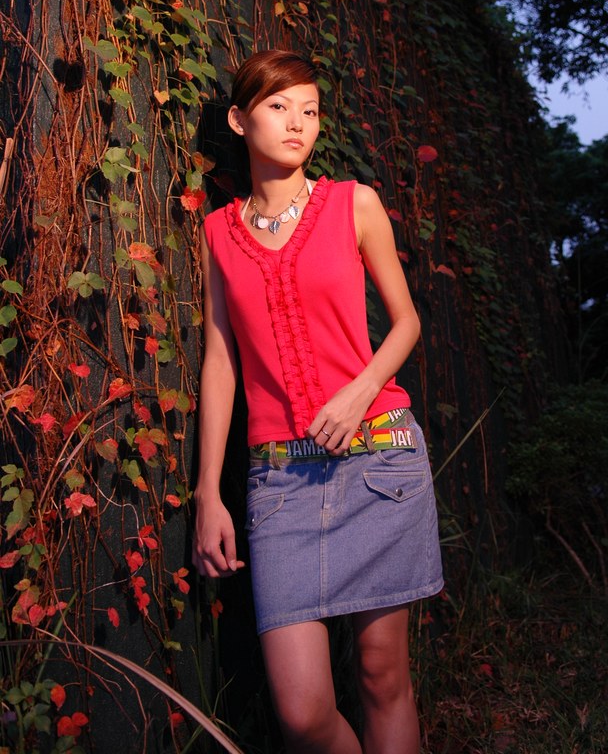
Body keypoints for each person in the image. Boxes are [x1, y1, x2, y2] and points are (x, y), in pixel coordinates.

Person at [192, 49, 443, 754]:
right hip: (280, 485)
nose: (297, 122)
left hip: (379, 462)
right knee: (302, 714)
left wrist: (360, 391)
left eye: (309, 110)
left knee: (381, 675)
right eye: (278, 107)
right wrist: (209, 492)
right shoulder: (217, 233)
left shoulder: (353, 203)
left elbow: (406, 322)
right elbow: (221, 362)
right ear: (239, 120)